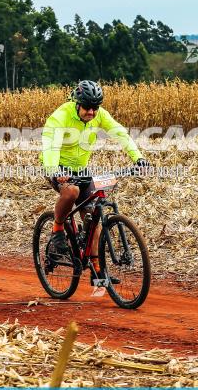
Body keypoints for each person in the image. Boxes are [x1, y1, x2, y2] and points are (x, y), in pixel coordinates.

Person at [40, 80, 149, 274]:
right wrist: (55, 172)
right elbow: (51, 147)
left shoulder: (100, 115)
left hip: (81, 169)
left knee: (93, 216)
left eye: (95, 108)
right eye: (87, 107)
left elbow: (121, 134)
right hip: (57, 166)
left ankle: (98, 270)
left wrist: (138, 158)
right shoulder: (60, 117)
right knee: (72, 191)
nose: (91, 112)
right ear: (77, 103)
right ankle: (57, 229)